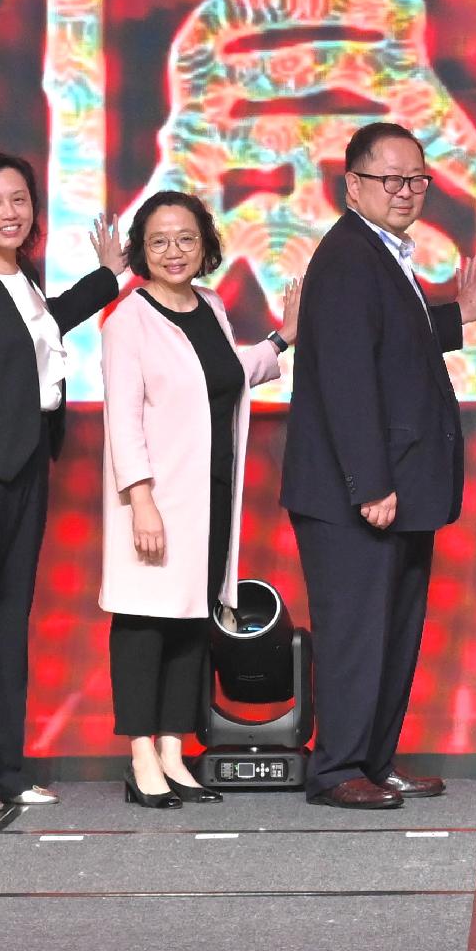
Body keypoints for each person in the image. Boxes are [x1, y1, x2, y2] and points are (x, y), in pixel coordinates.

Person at [283, 120, 476, 811]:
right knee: (356, 631)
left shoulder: (380, 252)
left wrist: (456, 318)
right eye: (390, 179)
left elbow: (392, 338)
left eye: (417, 179)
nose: (406, 191)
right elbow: (346, 375)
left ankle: (373, 758)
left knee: (394, 632)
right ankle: (337, 766)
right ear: (352, 185)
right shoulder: (347, 255)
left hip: (399, 486)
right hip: (357, 493)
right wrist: (370, 483)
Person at [0, 150, 124, 812]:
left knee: (9, 625)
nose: (9, 212)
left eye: (18, 199)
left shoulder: (23, 278)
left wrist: (108, 277)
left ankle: (6, 766)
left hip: (28, 461)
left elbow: (46, 323)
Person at [97, 191, 292, 809]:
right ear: (140, 252)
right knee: (144, 626)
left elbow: (227, 372)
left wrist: (282, 339)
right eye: (158, 241)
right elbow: (122, 420)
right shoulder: (127, 320)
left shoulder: (209, 305)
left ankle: (176, 754)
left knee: (190, 625)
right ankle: (142, 759)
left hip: (207, 496)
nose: (173, 251)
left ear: (205, 244)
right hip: (155, 497)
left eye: (185, 238)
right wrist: (142, 501)